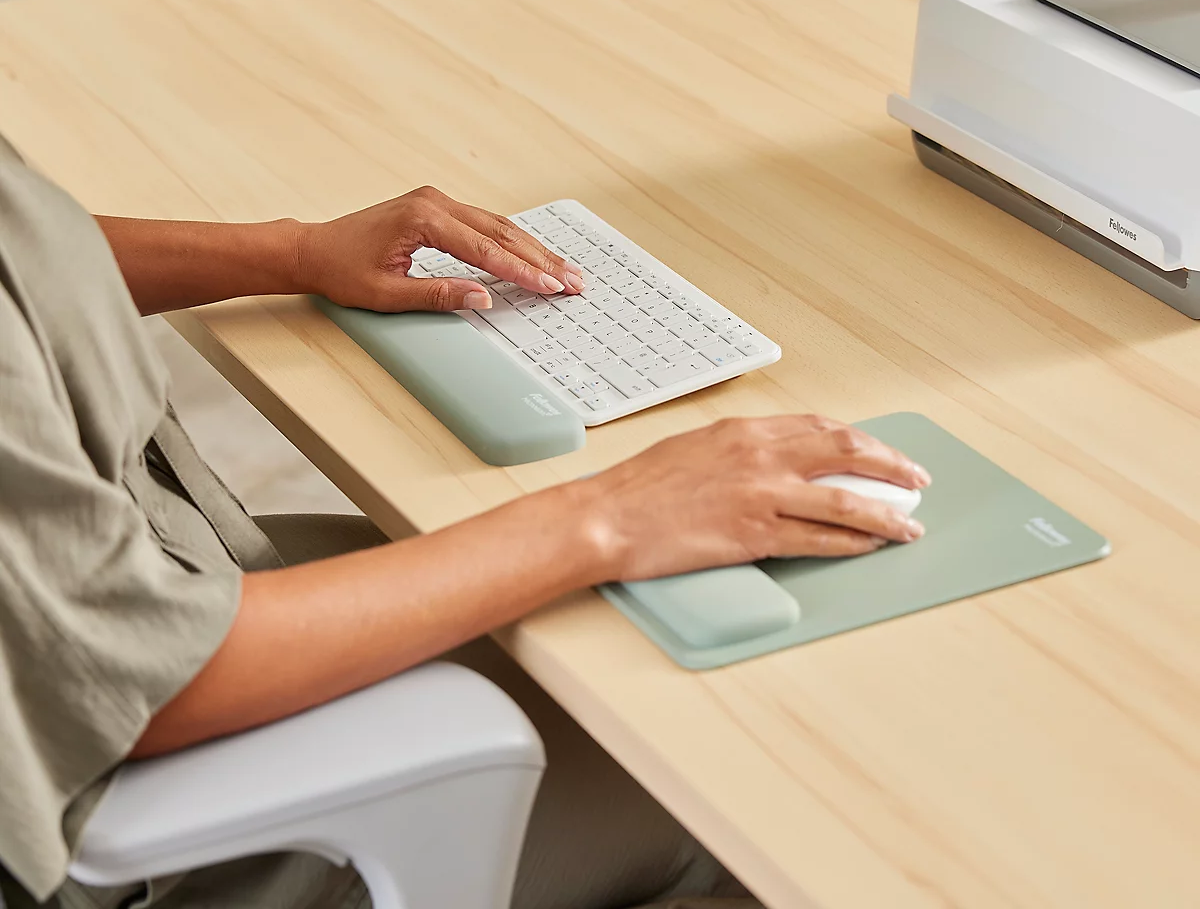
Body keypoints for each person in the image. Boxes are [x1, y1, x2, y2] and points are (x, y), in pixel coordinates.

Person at [0, 131, 928, 909]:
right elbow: (138, 680)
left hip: (173, 566)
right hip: (168, 830)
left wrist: (295, 253)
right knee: (770, 779)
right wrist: (609, 514)